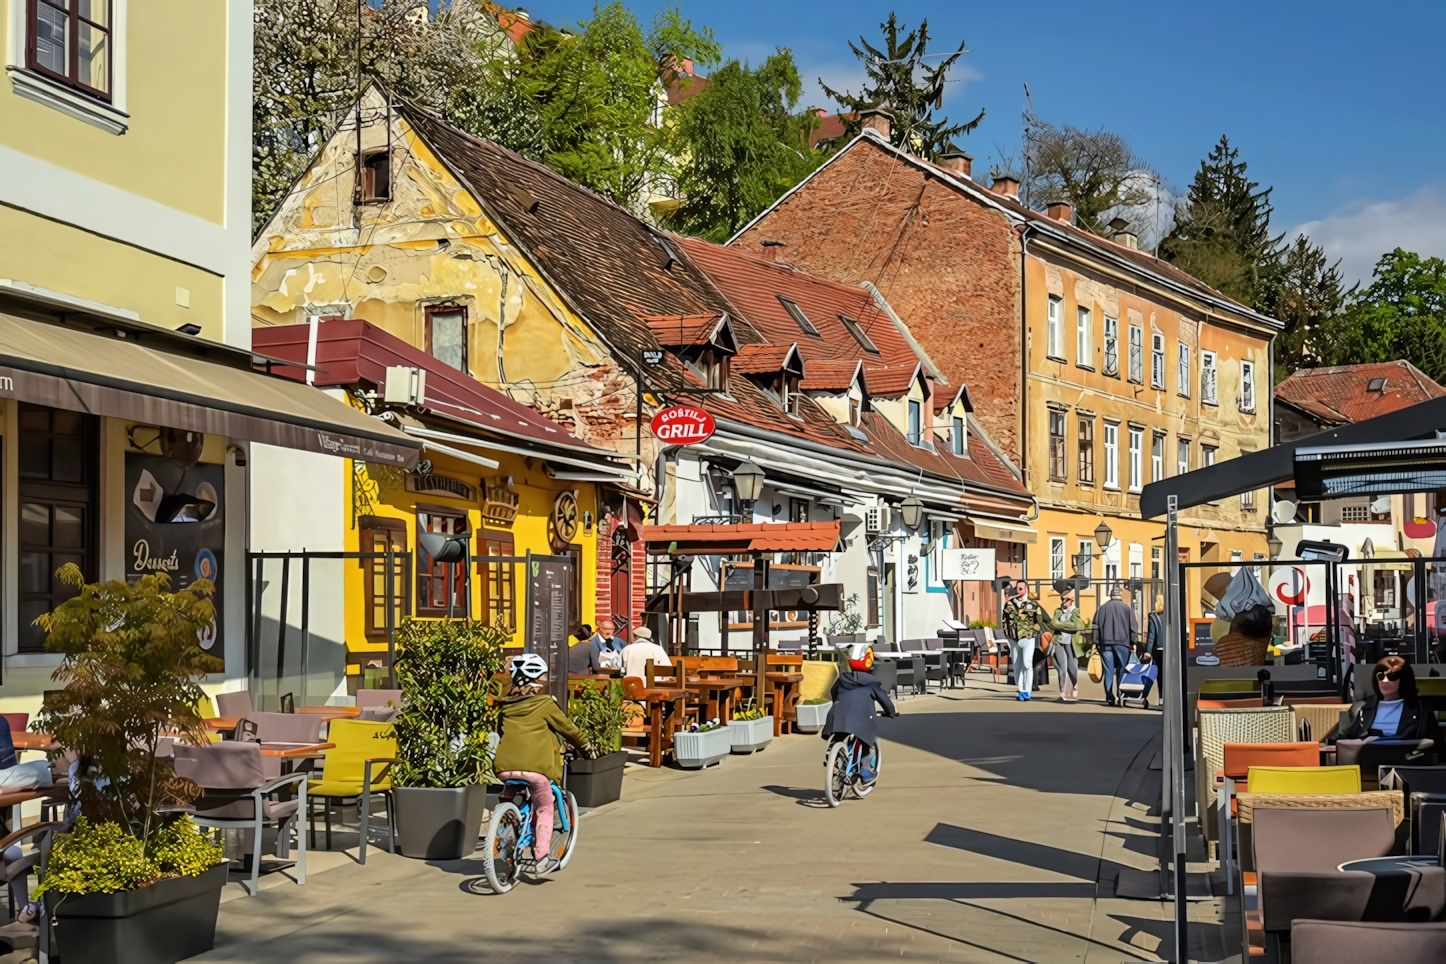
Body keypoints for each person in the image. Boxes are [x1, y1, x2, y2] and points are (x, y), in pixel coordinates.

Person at [492, 654, 593, 875]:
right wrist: (586, 746)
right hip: (535, 770)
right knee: (544, 807)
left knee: (509, 793)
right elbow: (568, 729)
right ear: (537, 681)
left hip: (504, 767)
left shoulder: (505, 706)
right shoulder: (545, 703)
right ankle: (541, 858)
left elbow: (502, 732)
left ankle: (502, 828)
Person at [821, 643, 898, 783]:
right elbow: (884, 700)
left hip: (837, 713)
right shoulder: (872, 682)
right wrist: (891, 712)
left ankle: (833, 756)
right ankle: (865, 770)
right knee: (866, 739)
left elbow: (833, 692)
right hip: (860, 718)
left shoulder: (842, 678)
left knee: (838, 734)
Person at [1340, 655, 1442, 743]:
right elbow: (1345, 736)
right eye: (1380, 676)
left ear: (1404, 679)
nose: (1384, 680)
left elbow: (1433, 741)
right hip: (1370, 757)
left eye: (1392, 676)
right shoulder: (1362, 708)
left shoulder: (1420, 708)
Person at [1002, 580, 1051, 701]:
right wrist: (1008, 635)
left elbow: (1038, 621)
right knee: (1017, 664)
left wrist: (1032, 633)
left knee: (1027, 663)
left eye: (1021, 588)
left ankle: (1027, 690)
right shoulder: (1010, 604)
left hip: (1028, 637)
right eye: (1017, 588)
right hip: (1014, 638)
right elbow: (1004, 620)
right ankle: (1021, 688)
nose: (1019, 591)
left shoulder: (1033, 605)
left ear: (1026, 589)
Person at [1093, 587, 1140, 706]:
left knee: (1108, 671)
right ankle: (1121, 695)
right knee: (1121, 670)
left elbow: (1095, 626)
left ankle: (1109, 696)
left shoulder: (1102, 608)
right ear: (1120, 595)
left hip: (1105, 643)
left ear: (1110, 595)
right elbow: (1133, 627)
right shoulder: (1127, 608)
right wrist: (1133, 642)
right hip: (1122, 644)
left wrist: (1096, 642)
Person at [1050, 591, 1088, 702]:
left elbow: (1078, 626)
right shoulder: (1058, 611)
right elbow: (1053, 623)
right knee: (1062, 667)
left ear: (1070, 601)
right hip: (1059, 641)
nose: (1062, 602)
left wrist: (1061, 626)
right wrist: (1068, 626)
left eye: (1065, 600)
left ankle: (1075, 684)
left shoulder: (1075, 611)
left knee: (1072, 666)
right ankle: (1062, 690)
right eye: (1062, 599)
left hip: (1071, 643)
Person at [1146, 596, 1165, 705]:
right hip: (1171, 650)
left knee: (1160, 675)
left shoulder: (1154, 617)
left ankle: (1162, 698)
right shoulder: (1173, 615)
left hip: (1159, 650)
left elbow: (1151, 636)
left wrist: (1148, 651)